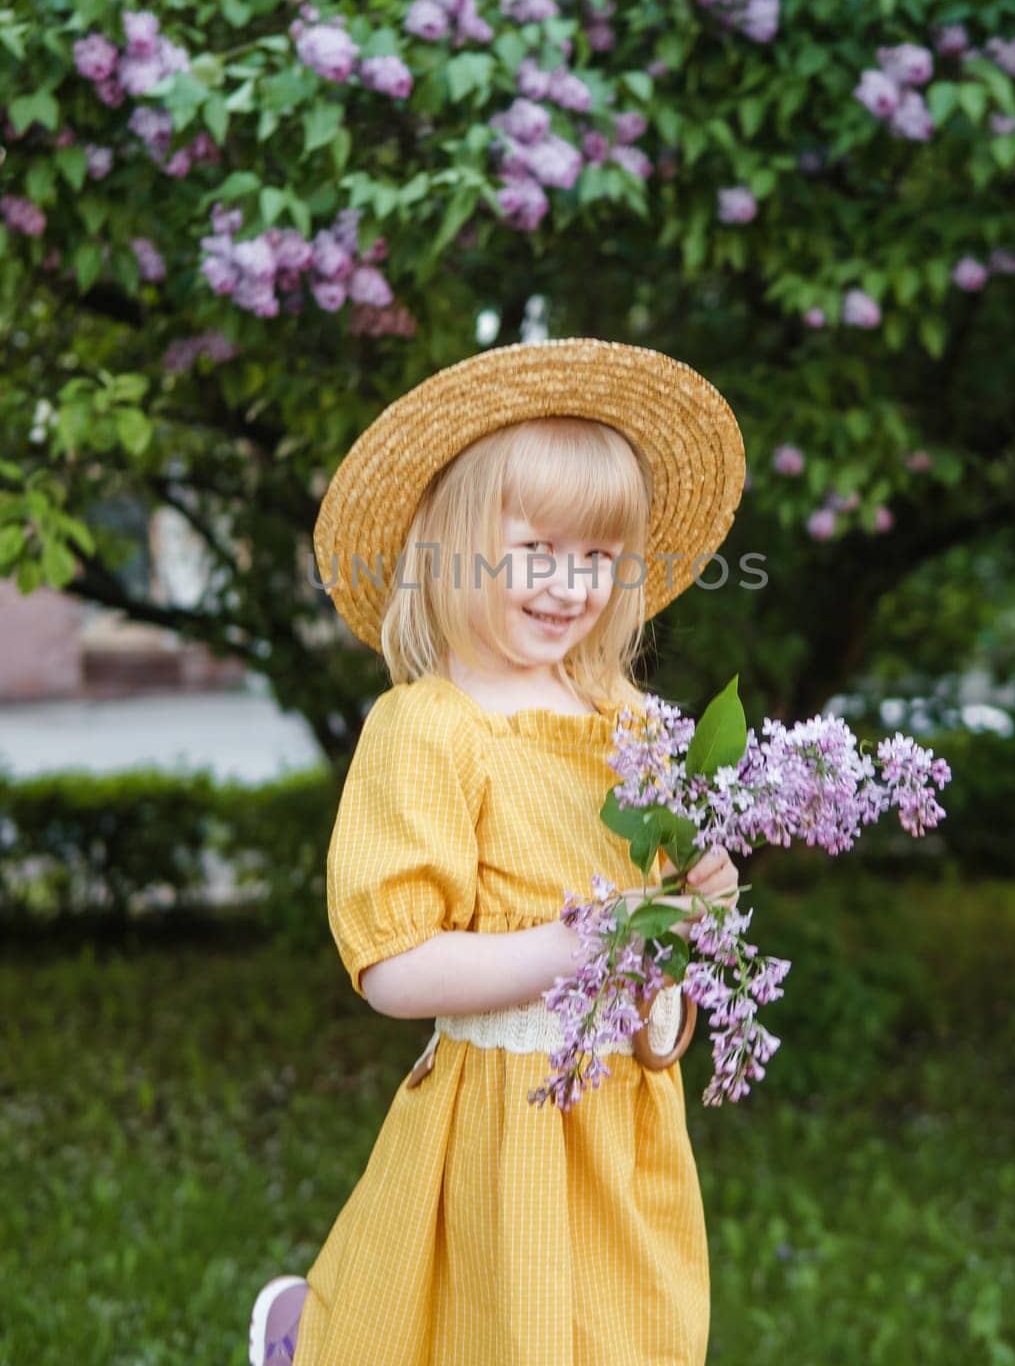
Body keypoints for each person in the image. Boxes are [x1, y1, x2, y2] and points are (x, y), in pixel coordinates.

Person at [248, 336, 746, 1366]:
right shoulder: (430, 728)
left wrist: (693, 901)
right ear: (457, 546)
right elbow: (395, 966)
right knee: (483, 1332)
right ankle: (310, 1332)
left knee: (627, 1334)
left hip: (624, 1131)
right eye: (538, 551)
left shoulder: (631, 724)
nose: (572, 585)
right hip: (502, 1127)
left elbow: (650, 953)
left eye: (600, 558)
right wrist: (574, 948)